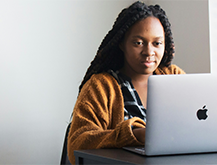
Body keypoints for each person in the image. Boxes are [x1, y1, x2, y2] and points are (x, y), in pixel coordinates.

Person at [67, 1, 185, 164]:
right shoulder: (101, 86)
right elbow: (77, 144)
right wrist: (133, 134)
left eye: (157, 43)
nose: (149, 52)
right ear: (122, 43)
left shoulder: (174, 77)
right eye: (138, 43)